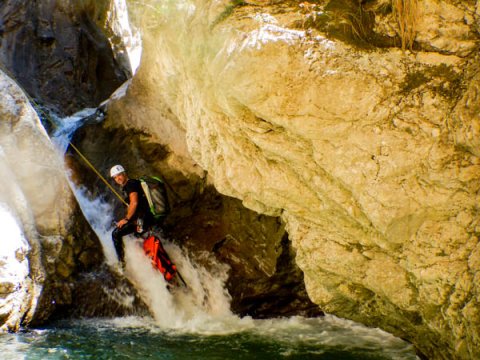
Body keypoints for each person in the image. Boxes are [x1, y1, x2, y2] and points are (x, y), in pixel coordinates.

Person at [110, 164, 154, 267]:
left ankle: (122, 264)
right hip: (144, 218)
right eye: (115, 177)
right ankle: (148, 259)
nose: (118, 178)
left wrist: (126, 219)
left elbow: (134, 203)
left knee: (116, 234)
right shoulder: (131, 184)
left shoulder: (130, 184)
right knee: (138, 236)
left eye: (119, 175)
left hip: (142, 220)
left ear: (124, 173)